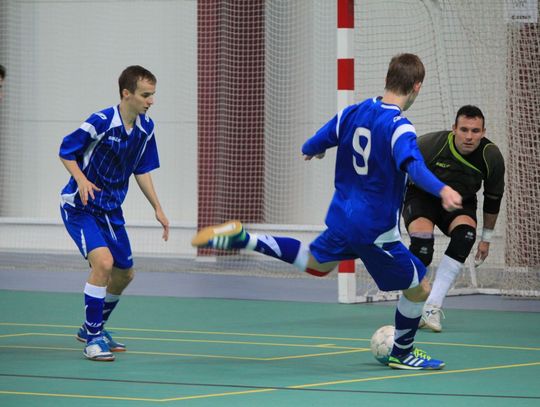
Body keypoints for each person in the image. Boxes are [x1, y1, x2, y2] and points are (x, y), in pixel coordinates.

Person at [192, 53, 462, 370]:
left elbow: (315, 141)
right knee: (419, 287)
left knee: (316, 263)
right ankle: (402, 353)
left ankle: (245, 239)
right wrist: (442, 189)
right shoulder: (399, 126)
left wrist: (313, 150)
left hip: (342, 217)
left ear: (387, 78)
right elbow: (412, 164)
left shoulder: (352, 112)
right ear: (417, 86)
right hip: (373, 229)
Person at [59, 65, 169, 361]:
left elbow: (141, 169)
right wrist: (81, 180)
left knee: (125, 274)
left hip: (110, 210)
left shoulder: (146, 128)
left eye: (153, 95)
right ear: (126, 94)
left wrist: (157, 207)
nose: (151, 101)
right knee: (104, 264)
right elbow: (65, 150)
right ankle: (92, 340)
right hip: (80, 207)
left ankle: (93, 327)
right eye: (146, 95)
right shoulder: (101, 121)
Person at [403, 105, 505, 332]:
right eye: (464, 130)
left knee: (465, 236)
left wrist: (486, 238)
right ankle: (411, 305)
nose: (469, 137)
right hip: (422, 196)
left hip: (460, 201)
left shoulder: (491, 157)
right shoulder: (430, 145)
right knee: (422, 247)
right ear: (454, 129)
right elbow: (399, 167)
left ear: (483, 132)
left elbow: (493, 198)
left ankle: (432, 306)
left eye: (475, 131)